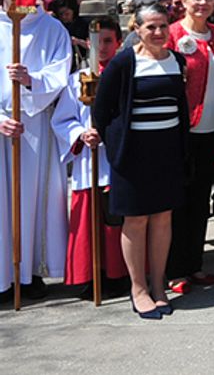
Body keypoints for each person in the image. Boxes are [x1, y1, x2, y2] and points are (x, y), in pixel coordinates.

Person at [92, 3, 189, 319]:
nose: (158, 33)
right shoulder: (124, 63)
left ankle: (159, 285)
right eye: (151, 27)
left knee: (163, 218)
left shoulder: (177, 61)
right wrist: (115, 145)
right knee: (136, 220)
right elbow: (102, 110)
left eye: (163, 26)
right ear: (137, 29)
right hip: (133, 154)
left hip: (168, 152)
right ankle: (138, 288)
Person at [0, 0, 74, 303]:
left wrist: (31, 81)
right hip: (1, 123)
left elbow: (59, 74)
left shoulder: (52, 28)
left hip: (34, 125)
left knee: (30, 200)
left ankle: (27, 273)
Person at [164, 0, 214, 294]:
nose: (203, 4)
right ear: (184, 0)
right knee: (179, 202)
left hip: (212, 130)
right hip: (182, 132)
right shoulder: (171, 35)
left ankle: (194, 264)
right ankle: (173, 269)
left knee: (200, 202)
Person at [50, 17, 129, 299]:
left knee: (116, 220)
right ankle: (90, 275)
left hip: (119, 160)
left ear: (118, 42)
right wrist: (81, 134)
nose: (103, 47)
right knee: (89, 219)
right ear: (87, 43)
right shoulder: (77, 80)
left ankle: (118, 274)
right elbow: (62, 120)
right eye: (97, 41)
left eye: (108, 40)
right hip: (90, 160)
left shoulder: (127, 75)